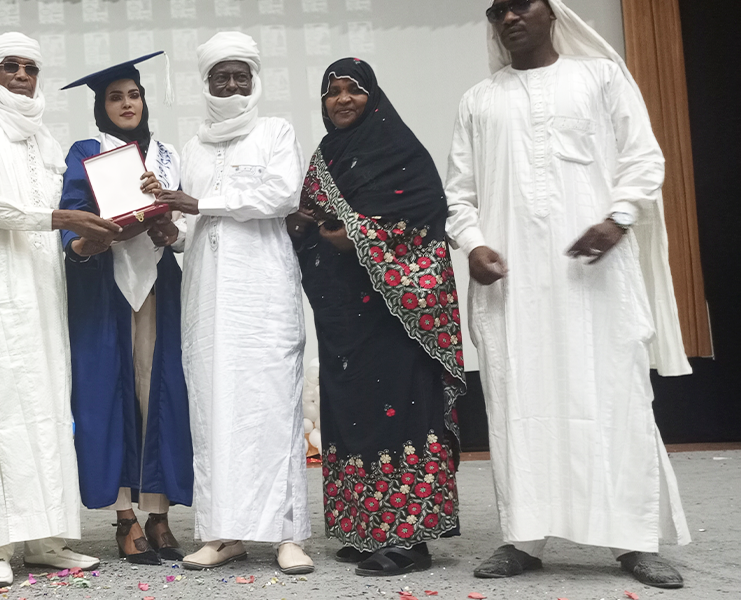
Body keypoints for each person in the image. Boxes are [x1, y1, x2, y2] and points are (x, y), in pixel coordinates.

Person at [445, 0, 691, 588]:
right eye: (498, 11)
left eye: (521, 4)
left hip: (596, 278)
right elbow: (460, 193)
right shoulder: (479, 100)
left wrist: (619, 218)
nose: (509, 18)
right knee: (518, 401)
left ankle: (634, 540)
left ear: (552, 11)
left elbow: (643, 158)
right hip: (513, 286)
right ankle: (522, 537)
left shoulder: (601, 77)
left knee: (614, 396)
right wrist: (473, 245)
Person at [0, 32, 121, 588]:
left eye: (30, 68)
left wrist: (97, 226)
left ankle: (46, 541)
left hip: (42, 292)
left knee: (46, 413)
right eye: (10, 66)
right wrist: (61, 220)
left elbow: (65, 209)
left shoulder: (45, 138)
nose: (21, 76)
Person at [290, 57, 466, 576]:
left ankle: (410, 539)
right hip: (344, 315)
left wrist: (359, 236)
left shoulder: (400, 149)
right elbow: (310, 217)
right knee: (353, 415)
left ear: (374, 96)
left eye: (354, 89)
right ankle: (367, 528)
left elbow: (426, 214)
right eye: (333, 92)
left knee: (402, 413)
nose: (342, 99)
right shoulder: (326, 156)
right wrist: (302, 225)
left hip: (396, 315)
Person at [155, 31, 313, 575]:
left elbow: (282, 194)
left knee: (273, 406)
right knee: (214, 410)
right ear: (206, 83)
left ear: (254, 80)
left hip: (263, 293)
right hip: (206, 296)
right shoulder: (192, 147)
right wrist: (170, 233)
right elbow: (190, 226)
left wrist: (202, 202)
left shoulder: (275, 131)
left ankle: (287, 534)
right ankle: (223, 534)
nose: (231, 85)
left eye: (240, 76)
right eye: (221, 77)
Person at [57, 52, 194, 565]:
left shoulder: (167, 154)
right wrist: (88, 236)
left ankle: (158, 514)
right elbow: (74, 217)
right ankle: (124, 517)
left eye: (133, 95)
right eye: (115, 97)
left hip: (159, 282)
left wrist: (171, 227)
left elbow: (185, 223)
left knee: (159, 392)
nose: (127, 104)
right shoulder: (87, 151)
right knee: (108, 395)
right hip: (105, 284)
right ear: (102, 107)